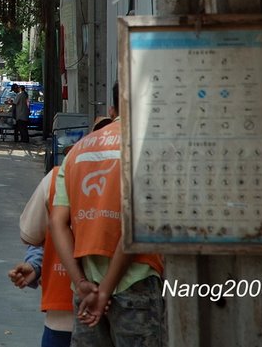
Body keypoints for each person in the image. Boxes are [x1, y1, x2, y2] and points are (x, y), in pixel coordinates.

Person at [49, 94, 165, 346]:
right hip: (137, 282)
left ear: (113, 107)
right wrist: (105, 291)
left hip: (86, 286)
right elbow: (135, 224)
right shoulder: (150, 149)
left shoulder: (77, 151)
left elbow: (57, 222)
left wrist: (81, 283)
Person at [8, 165, 74, 347]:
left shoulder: (60, 175)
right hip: (129, 316)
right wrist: (36, 264)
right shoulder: (140, 171)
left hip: (64, 316)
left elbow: (31, 234)